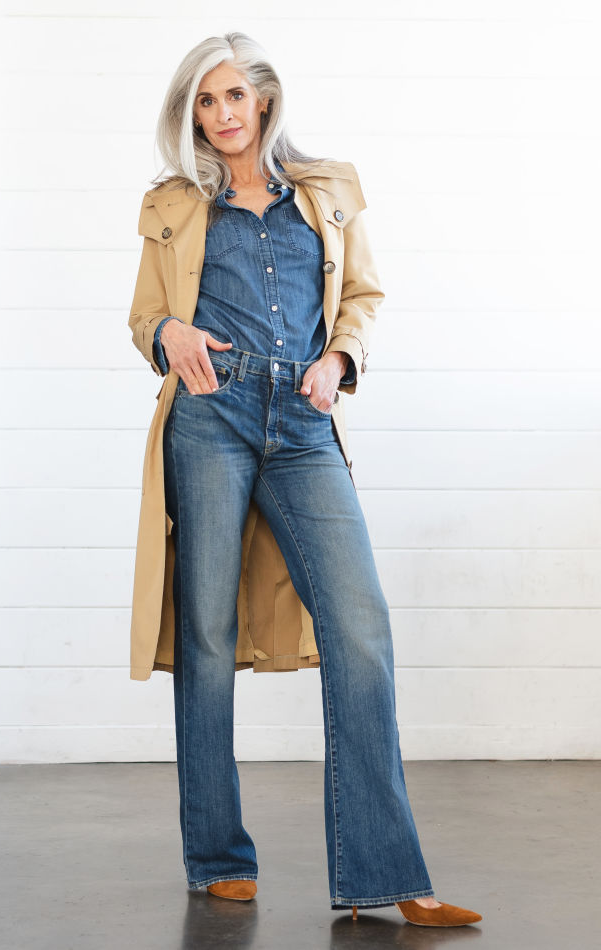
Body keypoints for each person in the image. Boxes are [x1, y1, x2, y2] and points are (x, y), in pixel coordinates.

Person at [127, 31, 482, 928]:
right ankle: (217, 856)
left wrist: (339, 360)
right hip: (210, 414)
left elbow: (362, 297)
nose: (222, 115)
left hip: (304, 418)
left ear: (265, 99)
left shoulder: (325, 190)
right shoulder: (173, 203)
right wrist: (169, 333)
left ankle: (385, 876)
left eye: (234, 96)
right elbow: (145, 317)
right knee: (207, 635)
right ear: (191, 115)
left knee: (360, 628)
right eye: (204, 102)